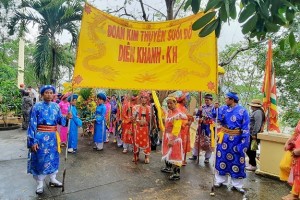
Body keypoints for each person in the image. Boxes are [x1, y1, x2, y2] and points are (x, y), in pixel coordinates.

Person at [27, 85, 72, 195]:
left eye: (51, 92)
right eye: (46, 92)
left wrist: (66, 118)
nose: (49, 94)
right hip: (40, 137)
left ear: (53, 94)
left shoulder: (56, 106)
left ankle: (53, 179)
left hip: (53, 137)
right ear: (42, 94)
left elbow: (60, 120)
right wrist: (32, 141)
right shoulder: (37, 107)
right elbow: (32, 124)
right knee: (40, 160)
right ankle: (40, 183)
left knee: (53, 158)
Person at [213, 92, 250, 194]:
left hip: (236, 140)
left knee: (237, 161)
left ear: (232, 100)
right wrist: (215, 109)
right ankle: (220, 181)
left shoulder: (243, 111)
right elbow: (215, 117)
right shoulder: (223, 109)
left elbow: (246, 129)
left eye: (226, 99)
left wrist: (243, 144)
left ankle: (237, 185)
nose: (225, 100)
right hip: (224, 139)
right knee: (221, 159)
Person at [161, 96, 188, 180]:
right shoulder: (169, 112)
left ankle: (176, 174)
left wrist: (172, 140)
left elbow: (176, 128)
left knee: (175, 155)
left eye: (171, 103)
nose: (169, 105)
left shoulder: (177, 114)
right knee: (167, 152)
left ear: (175, 103)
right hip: (167, 136)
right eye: (168, 103)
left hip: (174, 138)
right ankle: (168, 167)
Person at [190, 94, 214, 164]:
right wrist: (199, 118)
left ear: (211, 100)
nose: (206, 101)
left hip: (209, 128)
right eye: (205, 100)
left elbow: (214, 118)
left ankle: (207, 158)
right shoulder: (202, 107)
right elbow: (197, 116)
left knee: (208, 143)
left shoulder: (214, 108)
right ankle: (195, 155)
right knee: (197, 141)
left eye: (208, 100)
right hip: (201, 126)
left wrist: (205, 119)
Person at [281, 121, 300, 200]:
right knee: (294, 171)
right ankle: (294, 193)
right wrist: (288, 142)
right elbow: (295, 133)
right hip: (296, 149)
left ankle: (295, 194)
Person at [246, 99, 265, 171]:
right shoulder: (256, 112)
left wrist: (254, 134)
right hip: (252, 133)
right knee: (251, 149)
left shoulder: (258, 112)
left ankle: (253, 164)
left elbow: (257, 124)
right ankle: (251, 163)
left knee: (250, 150)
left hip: (254, 134)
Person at [132, 91, 151, 164]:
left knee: (146, 142)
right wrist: (136, 120)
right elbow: (134, 118)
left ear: (147, 99)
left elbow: (152, 119)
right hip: (138, 128)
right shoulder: (136, 107)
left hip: (146, 128)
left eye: (145, 98)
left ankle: (146, 156)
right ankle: (136, 155)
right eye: (142, 98)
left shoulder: (150, 108)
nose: (143, 99)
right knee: (136, 142)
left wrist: (147, 122)